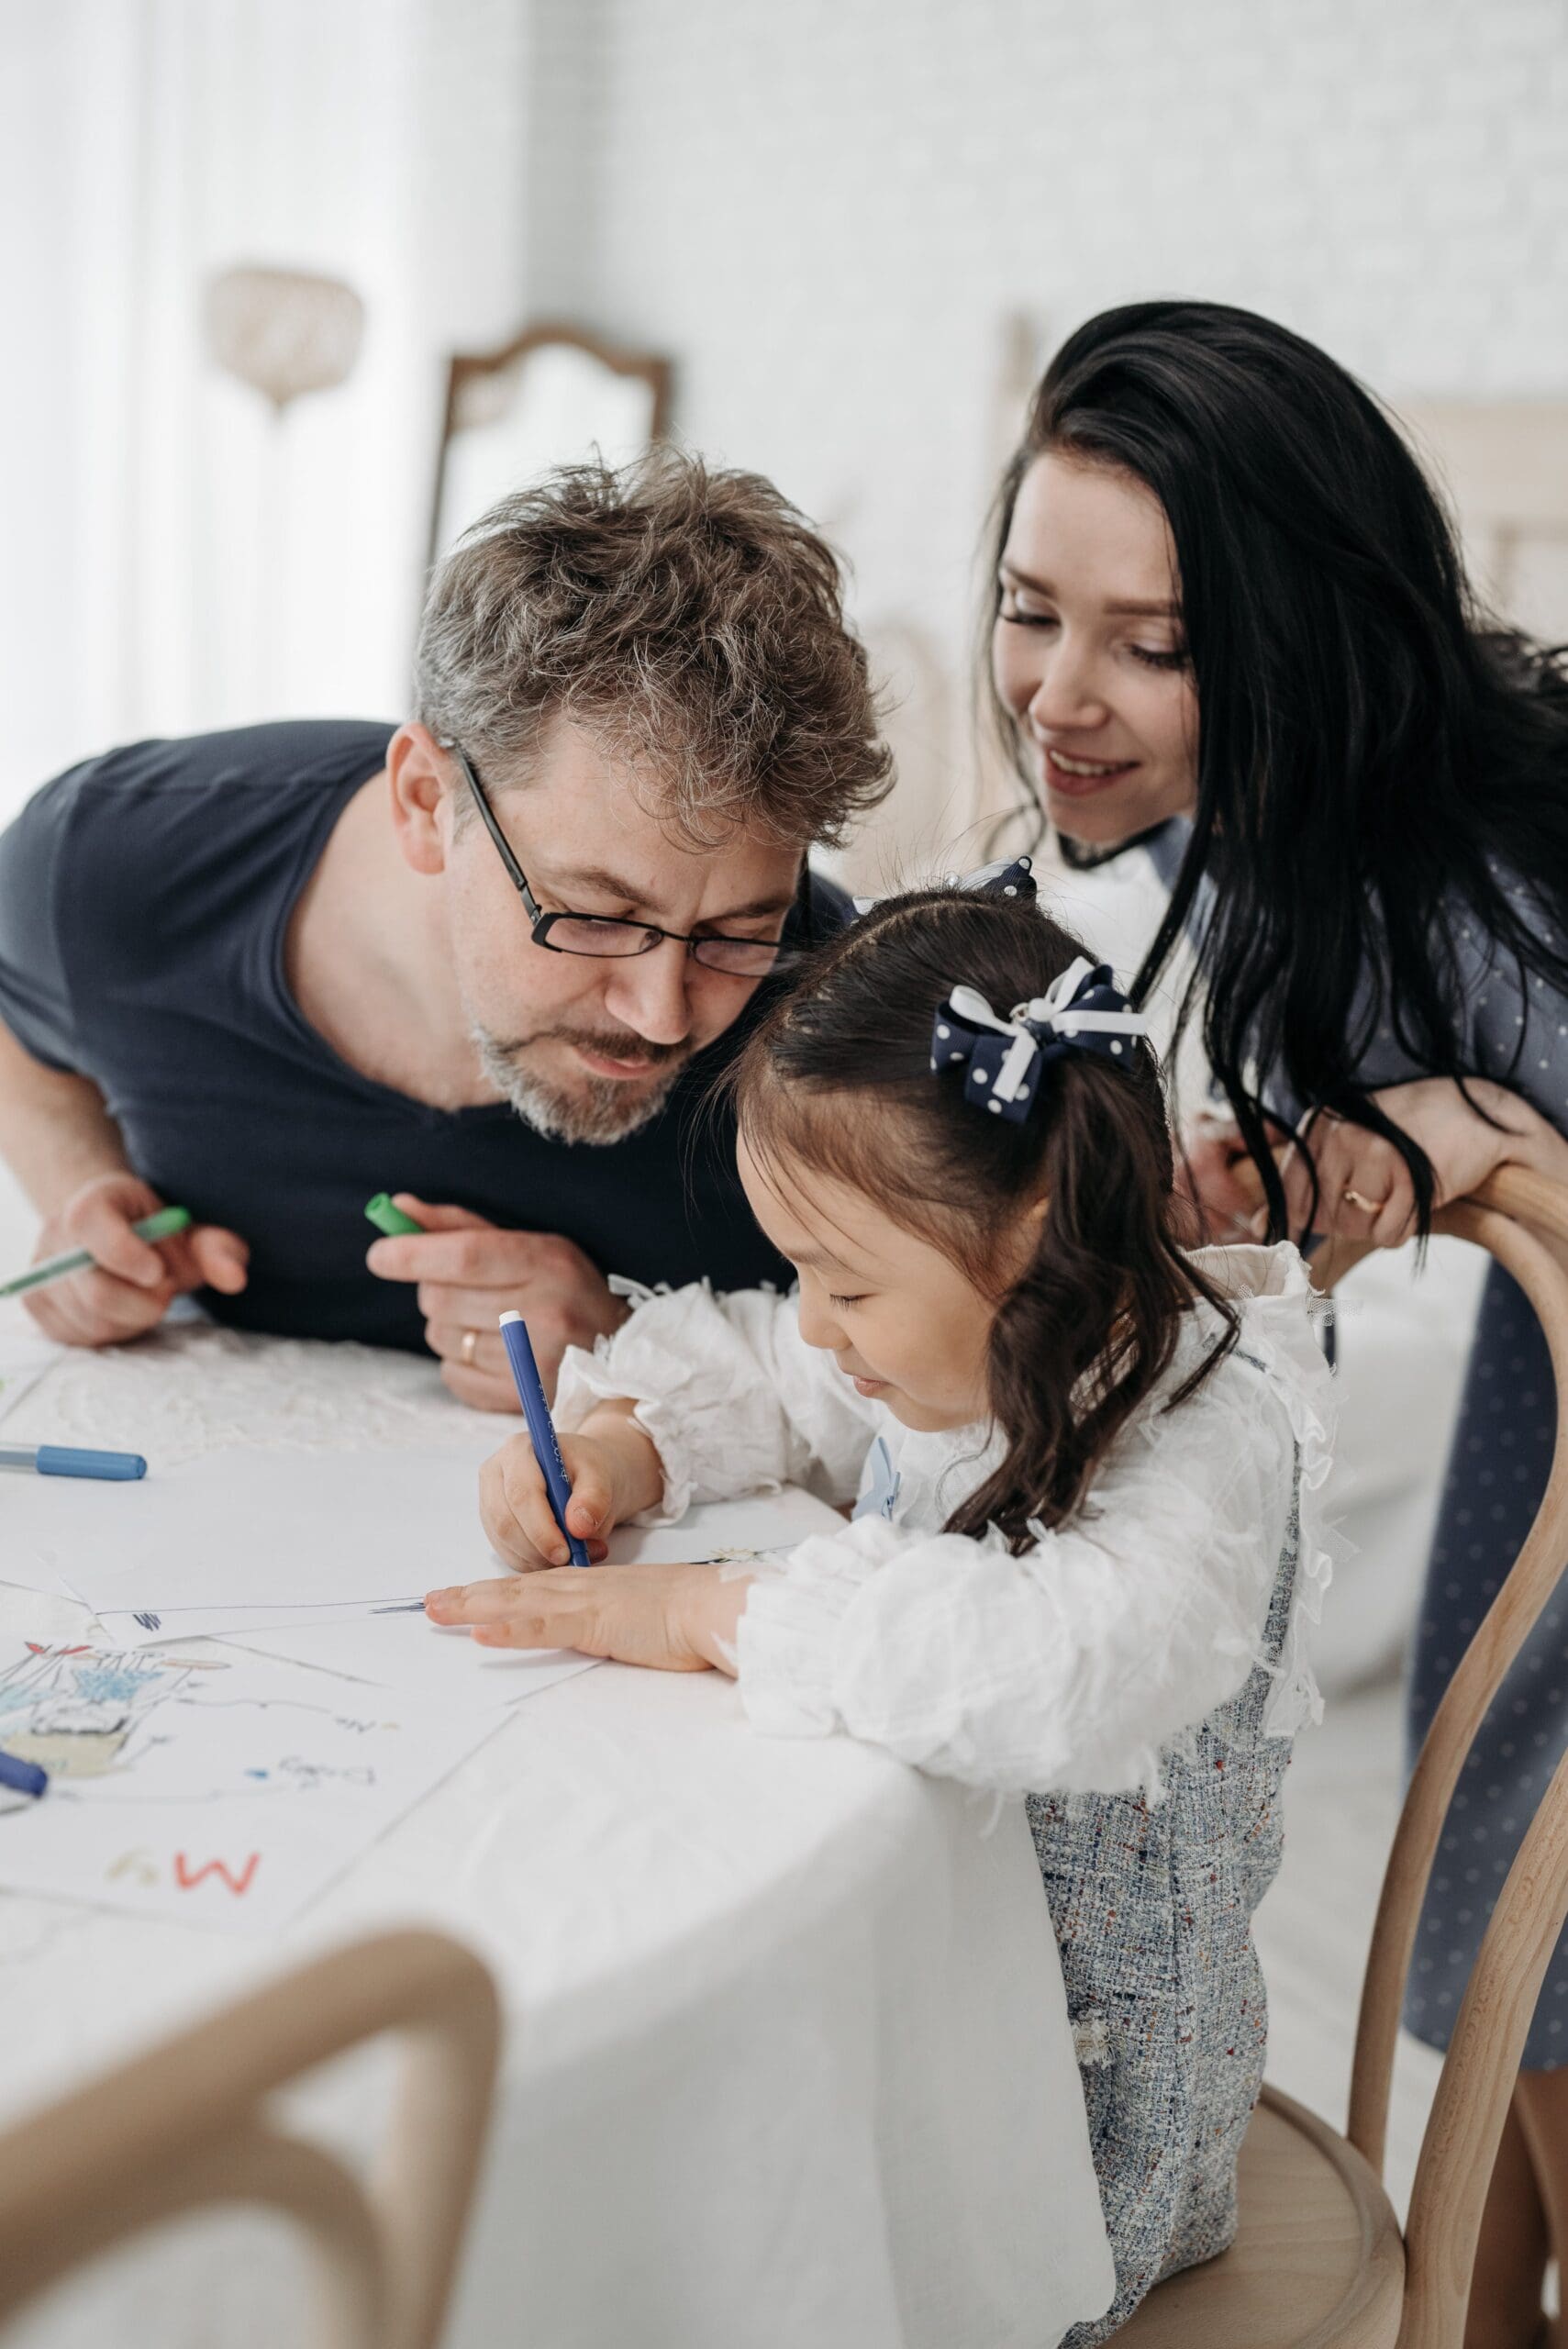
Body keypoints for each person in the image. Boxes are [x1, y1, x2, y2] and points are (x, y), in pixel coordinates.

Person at [426, 880, 1336, 2340]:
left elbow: (1063, 1666)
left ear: (1028, 1237)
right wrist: (624, 1440)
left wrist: (718, 1616)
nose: (812, 1320)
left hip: (1082, 2118)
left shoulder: (1206, 1425)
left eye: (843, 1285)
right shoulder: (954, 1329)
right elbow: (774, 1366)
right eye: (801, 1272)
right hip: (920, 1976)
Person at [983, 298, 1568, 2346]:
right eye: (1028, 611)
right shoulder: (1201, 845)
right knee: (1507, 1940)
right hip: (1534, 1416)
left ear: (1304, 643)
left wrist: (1487, 1133)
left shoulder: (1493, 882)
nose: (1059, 697)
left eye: (1151, 644)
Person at [0, 451, 891, 1411]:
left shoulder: (840, 1020)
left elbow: (926, 1393)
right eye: (598, 916)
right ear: (426, 802)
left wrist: (639, 1352)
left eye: (733, 933)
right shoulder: (106, 860)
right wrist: (82, 1191)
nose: (662, 1015)